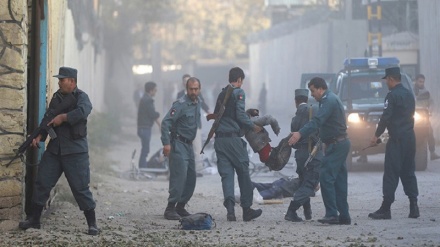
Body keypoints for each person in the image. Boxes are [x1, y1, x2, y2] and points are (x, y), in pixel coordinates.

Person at [18, 67, 99, 235]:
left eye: (62, 79)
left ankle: (92, 223)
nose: (59, 82)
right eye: (59, 79)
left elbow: (84, 111)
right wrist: (39, 136)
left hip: (76, 152)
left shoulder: (81, 97)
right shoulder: (56, 98)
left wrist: (64, 118)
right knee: (42, 183)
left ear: (72, 81)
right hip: (55, 151)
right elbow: (47, 120)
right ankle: (34, 219)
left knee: (80, 188)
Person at [288, 77, 351, 225]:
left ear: (320, 88)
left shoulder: (328, 101)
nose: (312, 94)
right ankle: (344, 215)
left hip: (337, 145)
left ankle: (331, 214)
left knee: (326, 177)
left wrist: (299, 133)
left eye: (313, 91)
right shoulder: (328, 100)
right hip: (338, 143)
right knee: (340, 181)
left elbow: (317, 121)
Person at [368, 67, 420, 220]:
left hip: (396, 140)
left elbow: (385, 117)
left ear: (391, 79)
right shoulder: (409, 94)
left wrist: (376, 135)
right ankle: (414, 206)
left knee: (391, 173)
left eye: (386, 80)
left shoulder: (392, 96)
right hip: (410, 138)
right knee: (409, 172)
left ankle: (386, 209)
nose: (386, 83)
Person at [213, 67, 263, 222]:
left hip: (219, 140)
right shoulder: (239, 92)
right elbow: (240, 115)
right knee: (243, 172)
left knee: (227, 175)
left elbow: (225, 114)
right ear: (240, 79)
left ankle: (230, 211)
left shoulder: (223, 93)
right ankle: (247, 210)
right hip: (233, 140)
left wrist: (246, 112)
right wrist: (252, 125)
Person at [161, 77, 202, 220]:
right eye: (191, 89)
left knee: (191, 178)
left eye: (196, 89)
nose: (193, 92)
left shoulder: (198, 103)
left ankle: (181, 206)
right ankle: (170, 208)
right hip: (178, 144)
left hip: (189, 145)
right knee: (179, 177)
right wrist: (166, 144)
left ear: (199, 89)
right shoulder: (180, 104)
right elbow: (165, 123)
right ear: (187, 89)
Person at [285, 89, 322, 222]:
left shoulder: (295, 118)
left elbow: (293, 137)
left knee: (303, 182)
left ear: (296, 101)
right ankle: (291, 210)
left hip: (300, 154)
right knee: (311, 183)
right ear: (307, 99)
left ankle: (307, 212)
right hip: (312, 153)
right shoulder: (315, 111)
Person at [177, 74, 210, 176]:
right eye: (185, 81)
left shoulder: (197, 93)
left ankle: (198, 170)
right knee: (185, 148)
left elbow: (203, 104)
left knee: (197, 148)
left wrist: (209, 112)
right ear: (183, 83)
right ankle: (186, 170)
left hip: (195, 125)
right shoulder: (180, 94)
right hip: (183, 126)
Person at [413, 74, 440, 160]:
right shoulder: (411, 91)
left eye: (423, 82)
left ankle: (432, 152)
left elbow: (431, 103)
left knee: (430, 133)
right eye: (420, 81)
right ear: (416, 81)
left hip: (423, 117)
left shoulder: (426, 92)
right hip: (412, 117)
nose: (421, 83)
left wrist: (430, 111)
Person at [137, 81, 160, 169]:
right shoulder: (148, 100)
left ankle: (143, 166)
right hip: (145, 128)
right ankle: (142, 167)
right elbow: (153, 114)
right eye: (155, 90)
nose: (156, 92)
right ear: (151, 91)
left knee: (145, 148)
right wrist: (160, 125)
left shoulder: (144, 98)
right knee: (145, 149)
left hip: (143, 128)